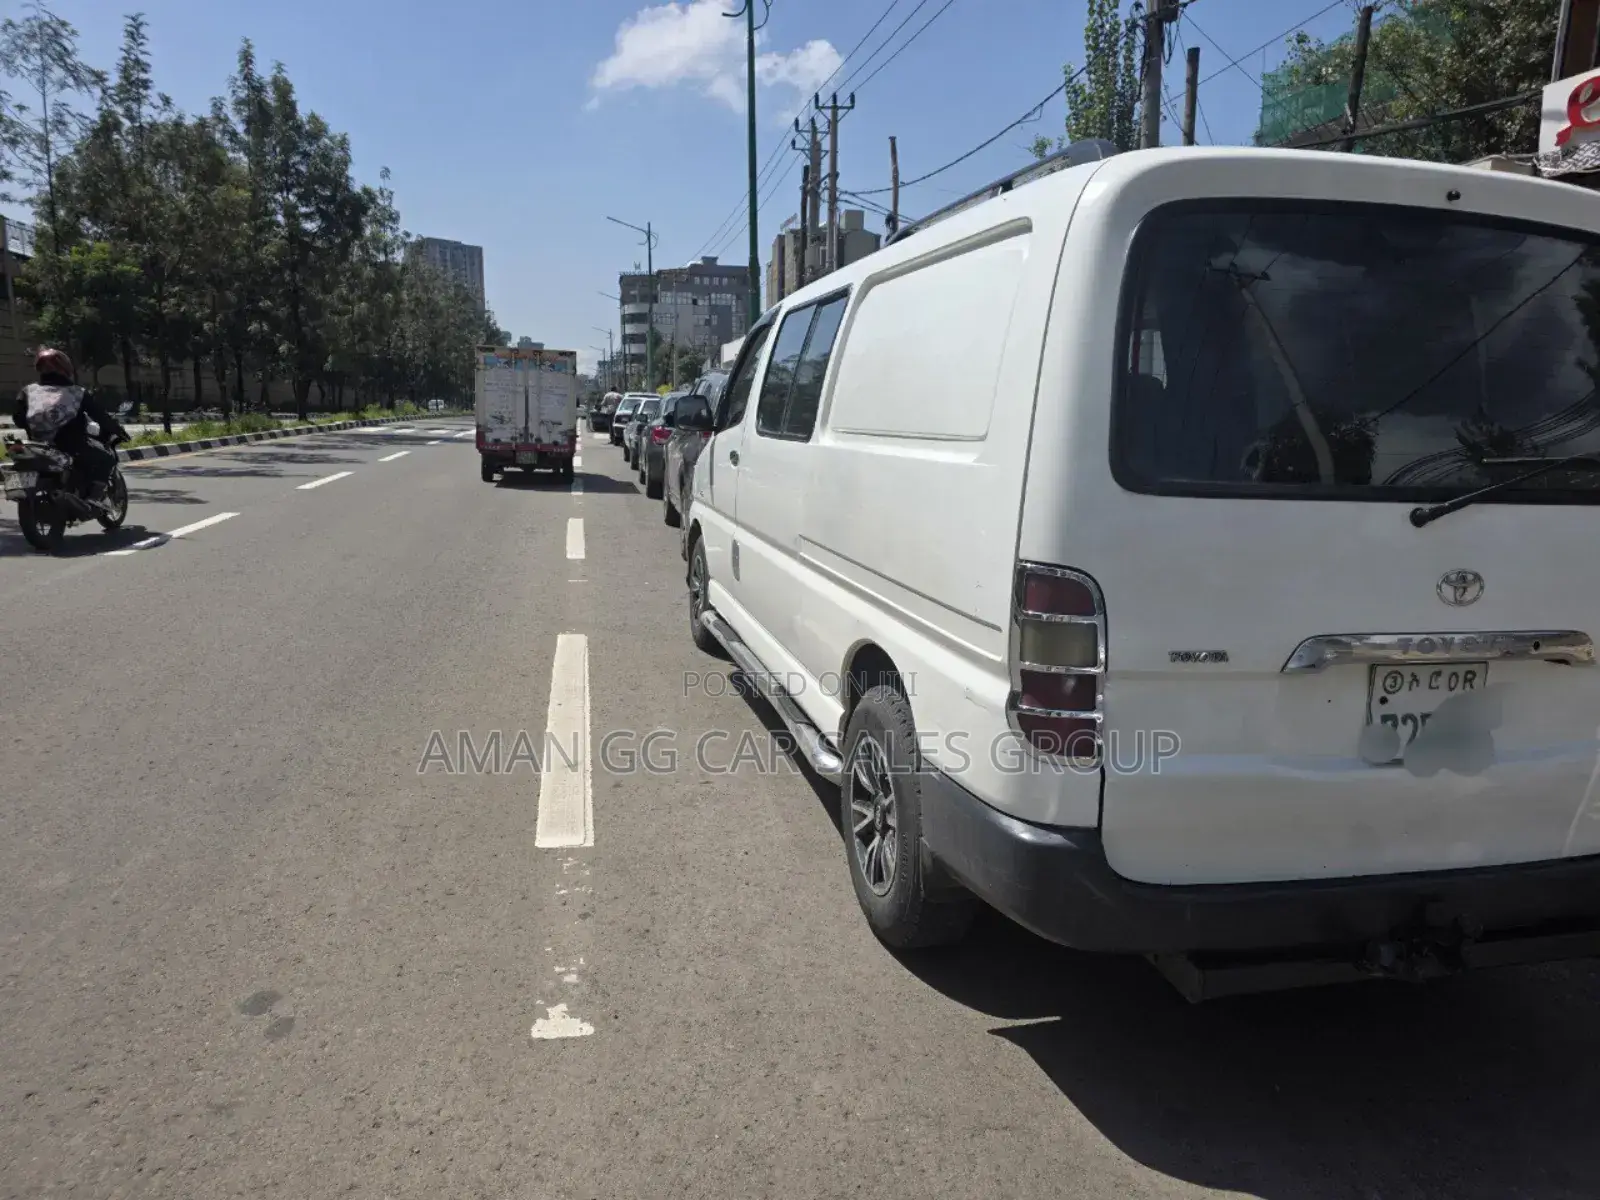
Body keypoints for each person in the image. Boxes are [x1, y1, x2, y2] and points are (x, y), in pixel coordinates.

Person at [10, 348, 126, 506]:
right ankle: (93, 499)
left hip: (36, 445)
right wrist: (118, 430)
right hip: (71, 445)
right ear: (65, 368)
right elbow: (100, 416)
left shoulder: (27, 391)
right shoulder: (77, 392)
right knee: (107, 459)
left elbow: (18, 419)